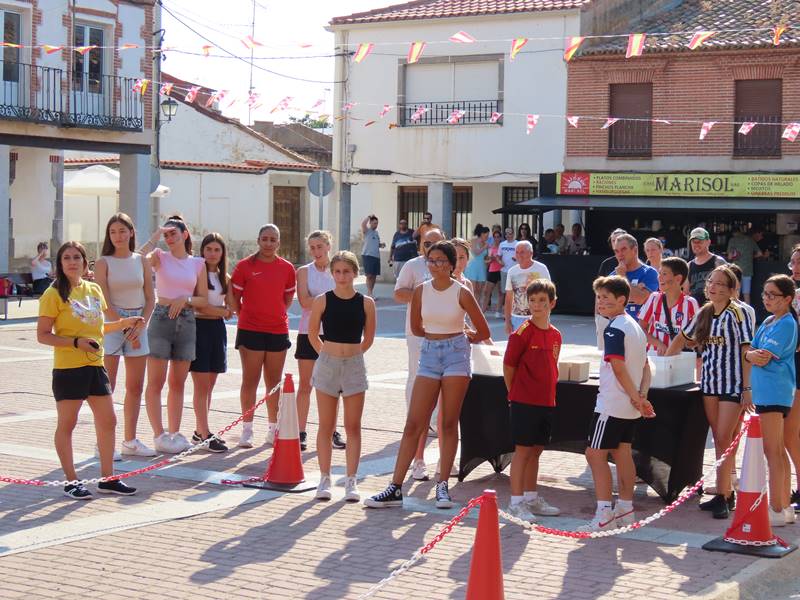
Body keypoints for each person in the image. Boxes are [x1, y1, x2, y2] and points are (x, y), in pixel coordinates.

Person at [365, 241, 490, 509]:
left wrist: (463, 336)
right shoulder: (421, 290)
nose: (435, 265)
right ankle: (395, 487)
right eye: (431, 261)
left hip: (456, 352)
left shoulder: (462, 291)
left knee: (448, 423)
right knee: (414, 422)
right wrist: (437, 337)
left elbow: (484, 331)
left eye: (441, 261)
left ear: (451, 264)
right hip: (430, 352)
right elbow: (416, 327)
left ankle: (442, 486)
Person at [37, 241, 143, 499]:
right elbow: (42, 335)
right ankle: (71, 481)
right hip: (68, 369)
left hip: (95, 366)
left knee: (109, 421)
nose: (72, 262)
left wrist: (125, 323)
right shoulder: (53, 295)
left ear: (85, 263)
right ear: (60, 265)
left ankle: (107, 478)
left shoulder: (93, 289)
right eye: (66, 258)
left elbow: (97, 328)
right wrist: (75, 342)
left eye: (77, 257)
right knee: (68, 424)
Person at [666, 265, 752, 519]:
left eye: (720, 284)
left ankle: (724, 494)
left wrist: (747, 387)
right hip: (709, 384)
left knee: (724, 437)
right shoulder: (705, 312)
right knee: (718, 436)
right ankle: (724, 492)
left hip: (733, 384)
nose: (713, 287)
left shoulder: (738, 313)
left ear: (731, 289)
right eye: (711, 282)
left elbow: (747, 351)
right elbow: (682, 338)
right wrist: (664, 364)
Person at [579, 276, 655, 532]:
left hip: (612, 404)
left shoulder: (615, 329)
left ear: (622, 300)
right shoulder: (634, 327)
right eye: (598, 297)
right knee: (622, 452)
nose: (601, 302)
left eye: (606, 298)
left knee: (595, 454)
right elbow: (647, 368)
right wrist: (641, 397)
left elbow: (620, 368)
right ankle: (625, 508)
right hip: (628, 405)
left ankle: (604, 514)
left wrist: (637, 397)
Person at [309, 251, 376, 502]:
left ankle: (351, 480)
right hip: (327, 364)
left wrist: (353, 355)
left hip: (354, 365)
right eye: (337, 271)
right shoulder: (322, 300)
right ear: (331, 273)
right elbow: (313, 332)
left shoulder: (366, 302)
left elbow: (368, 338)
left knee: (353, 426)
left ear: (355, 273)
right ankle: (324, 478)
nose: (341, 276)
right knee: (326, 425)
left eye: (346, 271)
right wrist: (325, 354)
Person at [144, 216, 209, 454]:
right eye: (166, 235)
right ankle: (159, 434)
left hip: (187, 319)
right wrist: (154, 237)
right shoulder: (159, 257)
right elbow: (137, 260)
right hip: (161, 317)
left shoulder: (198, 263)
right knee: (156, 381)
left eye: (173, 234)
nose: (169, 238)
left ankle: (174, 432)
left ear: (185, 234)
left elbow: (203, 298)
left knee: (178, 382)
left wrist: (186, 299)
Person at [94, 213, 155, 458]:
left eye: (122, 230)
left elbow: (151, 297)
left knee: (135, 386)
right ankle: (103, 442)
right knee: (107, 386)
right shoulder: (103, 262)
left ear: (131, 232)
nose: (118, 236)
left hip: (138, 324)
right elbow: (103, 299)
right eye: (113, 232)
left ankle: (130, 440)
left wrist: (141, 324)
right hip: (111, 324)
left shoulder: (141, 261)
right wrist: (122, 323)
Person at [231, 224, 296, 448]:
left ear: (278, 243)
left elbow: (287, 300)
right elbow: (234, 298)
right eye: (265, 239)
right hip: (250, 330)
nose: (268, 243)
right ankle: (247, 430)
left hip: (277, 330)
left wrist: (274, 314)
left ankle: (272, 429)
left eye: (273, 240)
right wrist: (247, 317)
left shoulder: (287, 268)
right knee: (250, 380)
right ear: (258, 241)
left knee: (274, 382)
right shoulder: (244, 266)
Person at [503, 280, 562, 522]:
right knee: (522, 452)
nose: (537, 305)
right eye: (533, 300)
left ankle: (530, 497)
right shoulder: (522, 333)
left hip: (546, 401)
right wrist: (513, 395)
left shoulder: (557, 334)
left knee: (536, 451)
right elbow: (509, 366)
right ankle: (515, 502)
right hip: (523, 401)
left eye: (542, 301)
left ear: (552, 303)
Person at [745, 274, 798, 527]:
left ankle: (776, 507)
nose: (766, 299)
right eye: (764, 294)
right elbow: (750, 351)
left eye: (772, 295)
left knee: (773, 452)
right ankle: (784, 506)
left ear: (788, 299)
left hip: (775, 392)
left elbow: (762, 356)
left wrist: (751, 355)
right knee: (777, 450)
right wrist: (751, 355)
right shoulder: (767, 321)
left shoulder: (787, 323)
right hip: (766, 392)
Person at [394, 228, 444, 481]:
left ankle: (437, 424)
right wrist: (425, 295)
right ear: (420, 245)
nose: (431, 247)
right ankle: (415, 421)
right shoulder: (412, 266)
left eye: (436, 243)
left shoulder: (448, 264)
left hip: (445, 335)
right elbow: (399, 292)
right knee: (417, 378)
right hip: (418, 333)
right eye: (427, 243)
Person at [295, 231, 346, 452]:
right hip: (308, 332)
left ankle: (331, 431)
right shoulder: (304, 271)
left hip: (335, 334)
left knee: (333, 387)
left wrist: (327, 303)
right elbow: (305, 302)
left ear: (328, 246)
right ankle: (300, 432)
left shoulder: (339, 269)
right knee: (305, 385)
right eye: (312, 247)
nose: (316, 251)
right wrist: (330, 301)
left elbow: (346, 297)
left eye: (320, 246)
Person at [189, 233, 232, 453]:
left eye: (217, 250)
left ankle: (200, 431)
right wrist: (220, 311)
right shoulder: (197, 273)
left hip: (217, 330)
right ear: (202, 251)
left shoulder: (225, 277)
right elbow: (200, 307)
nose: (213, 254)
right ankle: (205, 434)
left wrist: (223, 312)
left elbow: (231, 309)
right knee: (201, 385)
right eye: (209, 249)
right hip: (198, 329)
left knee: (211, 384)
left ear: (222, 253)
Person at [637, 257, 699, 355]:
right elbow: (641, 328)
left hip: (680, 359)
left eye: (664, 274)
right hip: (655, 359)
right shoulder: (654, 298)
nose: (659, 277)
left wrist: (678, 346)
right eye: (659, 273)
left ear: (678, 278)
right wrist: (659, 344)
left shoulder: (691, 303)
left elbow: (697, 335)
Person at [504, 241, 551, 333]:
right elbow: (509, 298)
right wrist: (507, 321)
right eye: (517, 252)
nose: (519, 255)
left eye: (522, 252)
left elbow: (549, 294)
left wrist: (545, 317)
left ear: (531, 253)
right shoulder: (512, 271)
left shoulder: (541, 269)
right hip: (516, 319)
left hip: (537, 317)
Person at [611, 234, 658, 320]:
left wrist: (622, 277)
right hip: (618, 328)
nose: (619, 254)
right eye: (616, 251)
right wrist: (635, 288)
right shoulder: (613, 276)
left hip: (641, 330)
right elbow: (606, 305)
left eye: (623, 249)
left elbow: (640, 299)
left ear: (635, 250)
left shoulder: (649, 273)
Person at [687, 227, 727, 306]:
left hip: (714, 308)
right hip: (695, 311)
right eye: (694, 242)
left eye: (700, 241)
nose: (696, 244)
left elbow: (728, 286)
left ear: (708, 242)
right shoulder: (689, 265)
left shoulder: (718, 261)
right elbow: (686, 291)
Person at [726, 226, 766, 304]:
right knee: (746, 294)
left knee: (735, 293)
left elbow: (730, 256)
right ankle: (748, 312)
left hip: (736, 271)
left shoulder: (732, 240)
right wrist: (751, 256)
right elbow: (760, 253)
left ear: (734, 233)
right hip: (748, 270)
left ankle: (735, 311)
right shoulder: (750, 240)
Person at [789, 244, 800, 512]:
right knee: (790, 433)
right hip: (791, 368)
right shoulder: (792, 295)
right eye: (793, 262)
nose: (795, 268)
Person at [464, 224, 490, 311]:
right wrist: (484, 247)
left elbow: (485, 257)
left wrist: (490, 258)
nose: (487, 237)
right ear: (481, 234)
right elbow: (475, 252)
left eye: (487, 236)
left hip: (482, 267)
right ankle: (469, 308)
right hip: (472, 267)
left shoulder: (485, 243)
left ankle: (477, 308)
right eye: (485, 235)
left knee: (479, 290)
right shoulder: (473, 241)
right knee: (472, 289)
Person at [360, 214, 385, 299]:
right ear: (370, 223)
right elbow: (363, 224)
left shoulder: (376, 233)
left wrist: (381, 245)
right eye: (374, 223)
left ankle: (370, 293)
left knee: (374, 275)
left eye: (377, 223)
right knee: (369, 275)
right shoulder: (367, 231)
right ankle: (370, 293)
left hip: (376, 256)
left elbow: (376, 244)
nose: (376, 225)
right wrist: (369, 217)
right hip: (368, 256)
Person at [498, 228, 518, 315]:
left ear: (513, 234)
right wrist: (500, 262)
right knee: (505, 292)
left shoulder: (517, 244)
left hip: (514, 271)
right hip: (504, 271)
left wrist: (516, 258)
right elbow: (498, 256)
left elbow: (521, 255)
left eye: (510, 233)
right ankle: (506, 312)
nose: (508, 235)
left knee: (514, 291)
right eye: (506, 234)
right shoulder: (502, 244)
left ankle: (513, 311)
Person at [485, 230, 503, 315]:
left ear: (500, 238)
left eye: (498, 237)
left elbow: (504, 260)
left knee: (500, 291)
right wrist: (491, 259)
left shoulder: (502, 247)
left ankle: (498, 311)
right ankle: (483, 310)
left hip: (500, 270)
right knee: (487, 291)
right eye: (494, 237)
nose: (496, 238)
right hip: (492, 270)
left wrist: (498, 259)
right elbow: (487, 261)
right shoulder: (490, 247)